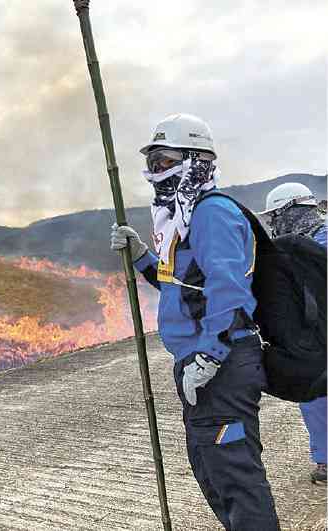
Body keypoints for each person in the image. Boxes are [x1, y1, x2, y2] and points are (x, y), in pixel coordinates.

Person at [110, 113, 279, 529]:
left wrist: (210, 355)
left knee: (237, 479)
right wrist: (141, 258)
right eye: (153, 164)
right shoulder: (181, 220)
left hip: (221, 364)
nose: (156, 173)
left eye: (165, 162)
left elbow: (228, 290)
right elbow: (183, 286)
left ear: (195, 160)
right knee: (214, 473)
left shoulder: (210, 213)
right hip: (200, 365)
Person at [260, 182, 327, 484]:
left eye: (275, 216)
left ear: (290, 211)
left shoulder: (310, 245)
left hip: (318, 340)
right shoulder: (313, 240)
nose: (273, 224)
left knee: (314, 395)